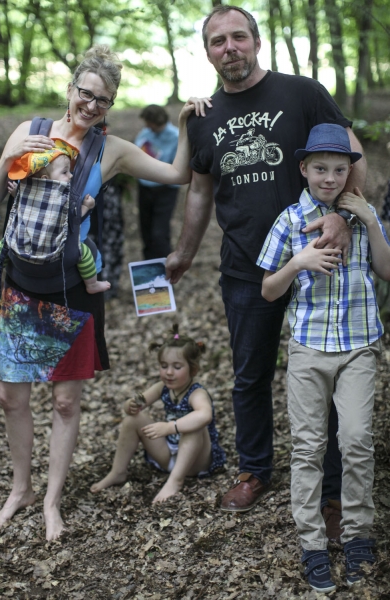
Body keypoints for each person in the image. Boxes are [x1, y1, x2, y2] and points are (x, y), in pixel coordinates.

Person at [0, 44, 200, 541]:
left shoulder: (110, 150)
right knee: (11, 397)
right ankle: (21, 489)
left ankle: (51, 501)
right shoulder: (30, 131)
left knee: (64, 403)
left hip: (73, 292)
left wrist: (185, 124)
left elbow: (177, 175)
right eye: (87, 93)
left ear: (111, 104)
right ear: (71, 88)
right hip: (21, 286)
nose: (92, 105)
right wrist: (7, 160)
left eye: (103, 99)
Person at [165, 5, 366, 526]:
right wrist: (184, 252)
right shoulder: (204, 116)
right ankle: (255, 470)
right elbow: (199, 191)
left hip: (318, 262)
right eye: (218, 41)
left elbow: (354, 156)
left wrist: (343, 216)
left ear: (256, 42)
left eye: (238, 37)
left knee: (325, 374)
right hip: (245, 268)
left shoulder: (302, 93)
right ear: (207, 52)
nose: (229, 48)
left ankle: (332, 489)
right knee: (249, 376)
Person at [257, 123, 386, 592]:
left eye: (338, 169)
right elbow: (268, 290)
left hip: (358, 346)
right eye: (320, 169)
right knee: (309, 447)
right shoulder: (290, 221)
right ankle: (312, 544)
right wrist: (298, 263)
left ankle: (357, 536)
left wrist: (371, 221)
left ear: (350, 172)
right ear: (304, 169)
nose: (329, 178)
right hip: (309, 348)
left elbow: (385, 269)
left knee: (355, 440)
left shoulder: (362, 215)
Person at [90, 324, 226, 502]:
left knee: (194, 425)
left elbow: (205, 415)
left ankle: (175, 481)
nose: (169, 372)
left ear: (193, 369)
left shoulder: (197, 393)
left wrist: (170, 427)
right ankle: (118, 471)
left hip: (196, 462)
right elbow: (139, 401)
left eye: (177, 367)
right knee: (132, 419)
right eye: (164, 366)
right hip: (168, 456)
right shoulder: (162, 387)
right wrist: (130, 405)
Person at [0, 145, 110, 295]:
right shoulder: (62, 198)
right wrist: (86, 206)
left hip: (22, 247)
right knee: (85, 253)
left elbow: (23, 206)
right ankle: (92, 284)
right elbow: (75, 219)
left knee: (5, 243)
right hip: (53, 251)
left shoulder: (27, 190)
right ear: (45, 179)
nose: (71, 176)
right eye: (65, 172)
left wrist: (17, 194)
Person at [135, 105, 180, 259]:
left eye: (149, 123)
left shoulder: (175, 137)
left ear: (157, 121)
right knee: (146, 231)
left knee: (159, 233)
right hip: (145, 188)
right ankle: (148, 266)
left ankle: (164, 267)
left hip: (165, 190)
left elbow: (178, 167)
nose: (147, 126)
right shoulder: (145, 134)